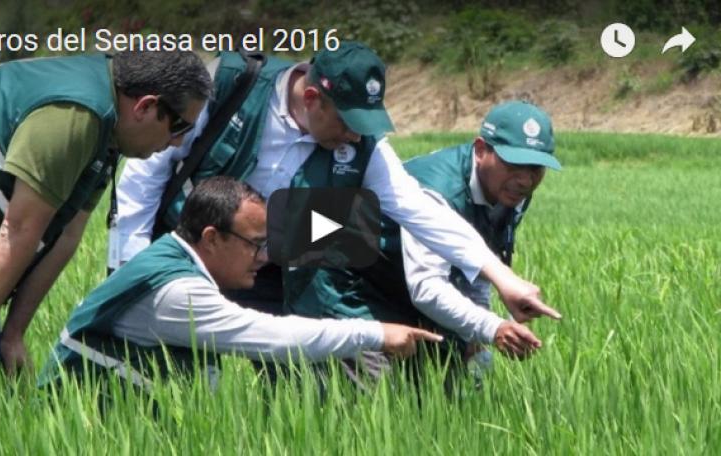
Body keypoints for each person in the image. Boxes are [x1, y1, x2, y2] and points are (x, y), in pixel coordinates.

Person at [111, 42, 559, 328]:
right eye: (348, 122)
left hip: (276, 273)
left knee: (298, 391)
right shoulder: (231, 86)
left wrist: (502, 278)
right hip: (190, 254)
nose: (355, 136)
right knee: (178, 378)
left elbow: (416, 208)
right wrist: (132, 267)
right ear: (312, 99)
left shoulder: (361, 143)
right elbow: (145, 174)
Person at [0, 50, 212, 409]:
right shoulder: (75, 114)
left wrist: (13, 333)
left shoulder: (108, 132)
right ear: (145, 107)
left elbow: (67, 237)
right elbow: (21, 227)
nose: (179, 142)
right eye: (180, 126)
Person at [38, 177, 442, 388]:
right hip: (89, 428)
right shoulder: (176, 293)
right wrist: (374, 333)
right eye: (255, 244)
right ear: (212, 237)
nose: (264, 257)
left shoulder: (172, 258)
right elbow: (274, 337)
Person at [287, 101, 562, 382]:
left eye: (536, 168)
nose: (526, 180)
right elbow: (426, 286)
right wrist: (491, 328)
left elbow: (479, 262)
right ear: (481, 151)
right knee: (379, 395)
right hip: (351, 284)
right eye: (514, 164)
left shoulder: (509, 194)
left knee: (446, 387)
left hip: (399, 285)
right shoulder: (437, 190)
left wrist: (475, 336)